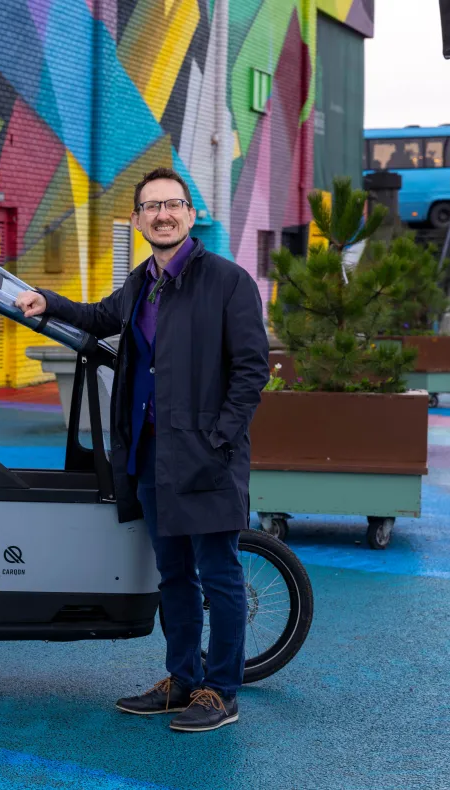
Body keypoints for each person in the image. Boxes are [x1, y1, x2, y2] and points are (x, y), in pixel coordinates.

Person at [15, 167, 269, 733]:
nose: (162, 215)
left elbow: (252, 372)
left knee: (219, 575)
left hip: (207, 457)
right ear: (136, 220)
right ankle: (183, 680)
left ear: (190, 212)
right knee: (173, 576)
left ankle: (220, 691)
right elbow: (98, 318)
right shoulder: (139, 283)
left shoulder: (228, 282)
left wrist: (219, 438)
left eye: (172, 205)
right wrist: (45, 301)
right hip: (151, 455)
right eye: (151, 207)